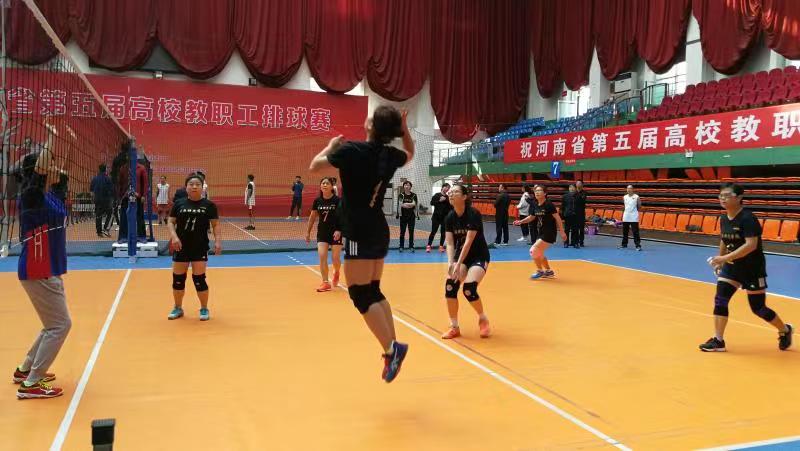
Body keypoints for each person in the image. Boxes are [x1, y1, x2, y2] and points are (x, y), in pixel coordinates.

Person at [309, 105, 413, 383]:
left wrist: (330, 147)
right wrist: (404, 130)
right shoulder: (390, 155)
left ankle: (391, 349)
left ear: (371, 126)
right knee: (373, 290)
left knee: (359, 294)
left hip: (358, 230)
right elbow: (410, 153)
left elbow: (315, 166)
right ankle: (392, 350)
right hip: (378, 228)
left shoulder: (350, 151)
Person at [13, 124, 71, 399]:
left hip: (49, 268)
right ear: (39, 169)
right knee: (60, 325)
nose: (54, 166)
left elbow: (62, 172)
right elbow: (41, 170)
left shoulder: (50, 195)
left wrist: (65, 142)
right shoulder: (31, 196)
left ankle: (25, 370)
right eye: (49, 163)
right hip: (38, 267)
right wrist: (52, 137)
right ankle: (32, 384)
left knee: (52, 324)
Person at [701, 183, 793, 352]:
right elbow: (724, 239)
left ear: (739, 198)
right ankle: (718, 340)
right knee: (720, 299)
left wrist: (724, 258)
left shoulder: (748, 218)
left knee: (758, 308)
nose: (723, 198)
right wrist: (721, 260)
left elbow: (751, 245)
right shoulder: (723, 218)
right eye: (721, 195)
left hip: (752, 269)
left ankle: (785, 330)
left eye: (727, 195)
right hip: (732, 268)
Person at [167, 173, 222, 322]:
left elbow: (215, 225)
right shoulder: (179, 204)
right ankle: (178, 308)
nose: (194, 187)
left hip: (199, 247)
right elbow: (170, 222)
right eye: (191, 184)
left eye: (197, 184)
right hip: (181, 247)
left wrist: (218, 241)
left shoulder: (209, 205)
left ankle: (204, 308)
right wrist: (174, 237)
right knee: (178, 280)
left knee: (199, 279)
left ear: (202, 187)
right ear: (186, 187)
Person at [440, 184, 492, 340]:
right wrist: (451, 264)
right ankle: (454, 327)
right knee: (450, 286)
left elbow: (468, 242)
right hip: (461, 257)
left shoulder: (473, 214)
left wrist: (458, 263)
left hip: (479, 256)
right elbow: (450, 243)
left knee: (469, 289)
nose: (451, 194)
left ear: (464, 197)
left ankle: (482, 318)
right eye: (450, 192)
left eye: (455, 192)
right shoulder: (450, 217)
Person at [514, 185, 567, 280]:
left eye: (539, 190)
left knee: (533, 250)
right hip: (541, 232)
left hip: (549, 232)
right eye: (536, 191)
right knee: (539, 252)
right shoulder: (535, 204)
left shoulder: (549, 205)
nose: (537, 192)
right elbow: (531, 217)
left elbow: (558, 218)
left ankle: (540, 271)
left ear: (545, 193)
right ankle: (548, 271)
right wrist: (521, 222)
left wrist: (562, 232)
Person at [306, 177, 342, 292]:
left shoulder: (337, 200)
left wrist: (339, 230)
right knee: (322, 256)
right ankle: (325, 282)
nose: (325, 185)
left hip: (336, 232)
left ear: (332, 186)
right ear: (320, 186)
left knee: (335, 258)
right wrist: (308, 232)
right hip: (322, 232)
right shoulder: (317, 201)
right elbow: (312, 217)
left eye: (327, 183)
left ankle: (336, 272)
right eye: (323, 183)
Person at [116, 152, 147, 242]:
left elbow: (145, 183)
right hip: (126, 196)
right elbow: (120, 183)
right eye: (128, 156)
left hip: (137, 196)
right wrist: (119, 197)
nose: (130, 157)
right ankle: (123, 237)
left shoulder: (141, 168)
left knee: (139, 216)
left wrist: (143, 195)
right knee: (123, 217)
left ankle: (142, 236)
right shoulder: (123, 168)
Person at [90, 164, 113, 237]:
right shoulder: (108, 179)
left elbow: (91, 191)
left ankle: (99, 232)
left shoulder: (94, 178)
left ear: (99, 170)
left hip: (97, 200)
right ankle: (106, 228)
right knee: (110, 213)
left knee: (98, 215)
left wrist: (93, 199)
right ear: (105, 169)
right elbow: (111, 190)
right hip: (106, 200)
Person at [427, 183, 451, 253]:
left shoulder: (448, 197)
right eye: (446, 187)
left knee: (443, 233)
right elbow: (432, 203)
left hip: (444, 218)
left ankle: (441, 246)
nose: (447, 189)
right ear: (442, 187)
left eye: (448, 188)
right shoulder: (437, 195)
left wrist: (447, 200)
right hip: (436, 217)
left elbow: (450, 207)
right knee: (433, 231)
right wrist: (439, 201)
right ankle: (429, 246)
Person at [397, 180, 418, 252]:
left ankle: (411, 246)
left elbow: (414, 204)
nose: (406, 186)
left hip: (411, 216)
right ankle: (401, 246)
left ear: (410, 187)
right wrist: (409, 205)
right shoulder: (401, 195)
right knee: (402, 232)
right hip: (403, 216)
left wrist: (405, 204)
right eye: (405, 185)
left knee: (411, 232)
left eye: (408, 185)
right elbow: (400, 204)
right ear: (403, 186)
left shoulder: (414, 195)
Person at [619, 185, 642, 251]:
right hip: (626, 216)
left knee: (635, 232)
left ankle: (638, 246)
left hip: (634, 217)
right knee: (625, 232)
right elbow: (625, 206)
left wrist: (634, 211)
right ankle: (624, 244)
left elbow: (639, 206)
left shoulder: (636, 197)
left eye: (630, 188)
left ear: (632, 189)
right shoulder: (624, 197)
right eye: (627, 188)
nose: (629, 190)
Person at [574, 180, 588, 247]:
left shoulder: (584, 193)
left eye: (579, 183)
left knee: (581, 228)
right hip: (574, 213)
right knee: (575, 228)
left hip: (581, 213)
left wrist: (577, 196)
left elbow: (582, 201)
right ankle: (576, 241)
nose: (578, 184)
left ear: (582, 185)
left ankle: (581, 241)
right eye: (577, 183)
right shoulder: (574, 192)